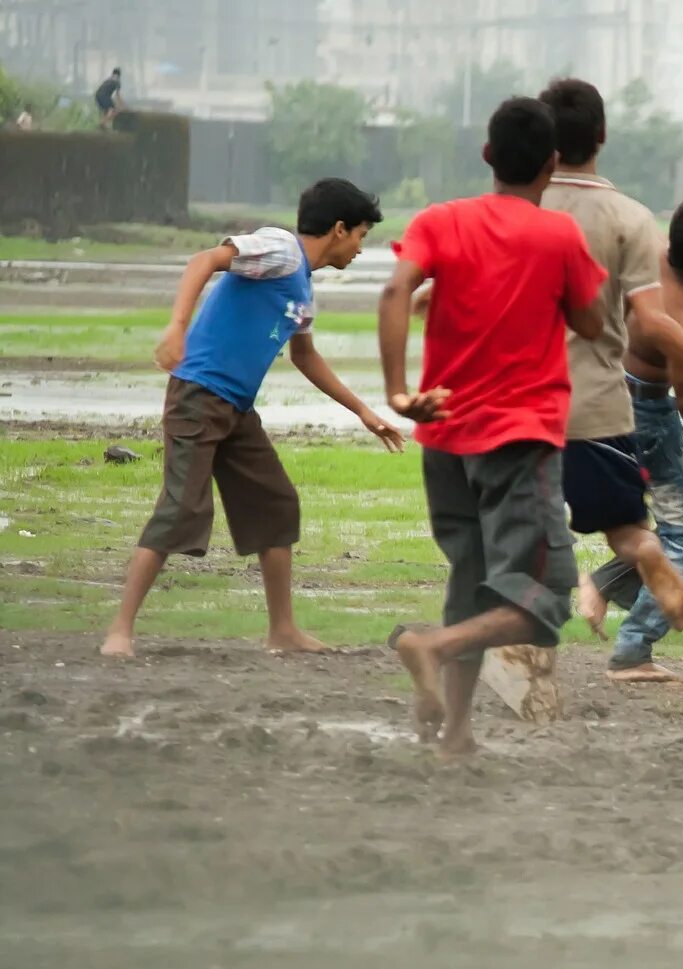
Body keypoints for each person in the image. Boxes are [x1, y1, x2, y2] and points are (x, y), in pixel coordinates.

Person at [377, 97, 609, 756]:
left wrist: (400, 390)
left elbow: (395, 290)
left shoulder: (441, 221)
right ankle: (431, 645)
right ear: (552, 163)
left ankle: (456, 730)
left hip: (444, 434)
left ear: (487, 157)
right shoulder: (560, 234)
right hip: (520, 436)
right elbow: (592, 323)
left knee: (473, 582)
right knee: (545, 598)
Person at [101, 179, 401, 658]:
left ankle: (282, 631)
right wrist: (177, 327)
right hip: (199, 398)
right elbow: (206, 260)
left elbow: (305, 356)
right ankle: (120, 630)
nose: (362, 248)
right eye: (362, 236)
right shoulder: (281, 249)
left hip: (236, 409)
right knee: (180, 508)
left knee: (276, 504)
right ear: (339, 229)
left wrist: (364, 412)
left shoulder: (302, 286)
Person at [535, 79, 683, 682]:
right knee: (680, 530)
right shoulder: (632, 230)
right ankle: (633, 646)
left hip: (528, 393)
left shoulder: (531, 210)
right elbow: (678, 383)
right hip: (619, 403)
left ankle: (491, 639)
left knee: (525, 523)